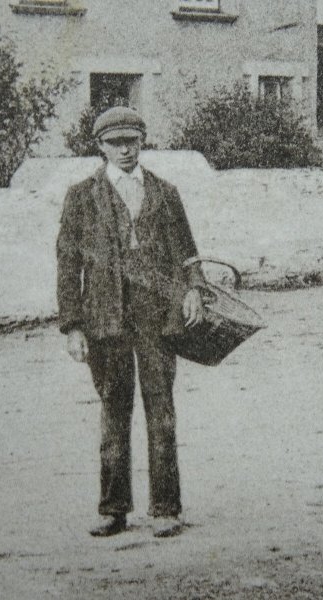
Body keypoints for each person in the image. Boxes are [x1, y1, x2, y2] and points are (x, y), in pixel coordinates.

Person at [56, 106, 206, 537]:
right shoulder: (81, 197)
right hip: (105, 320)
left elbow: (188, 253)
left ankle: (166, 509)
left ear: (143, 142)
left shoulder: (165, 192)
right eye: (115, 142)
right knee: (113, 411)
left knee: (162, 412)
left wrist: (193, 288)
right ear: (99, 146)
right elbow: (68, 266)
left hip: (159, 317)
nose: (125, 149)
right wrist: (73, 326)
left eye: (132, 141)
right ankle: (113, 508)